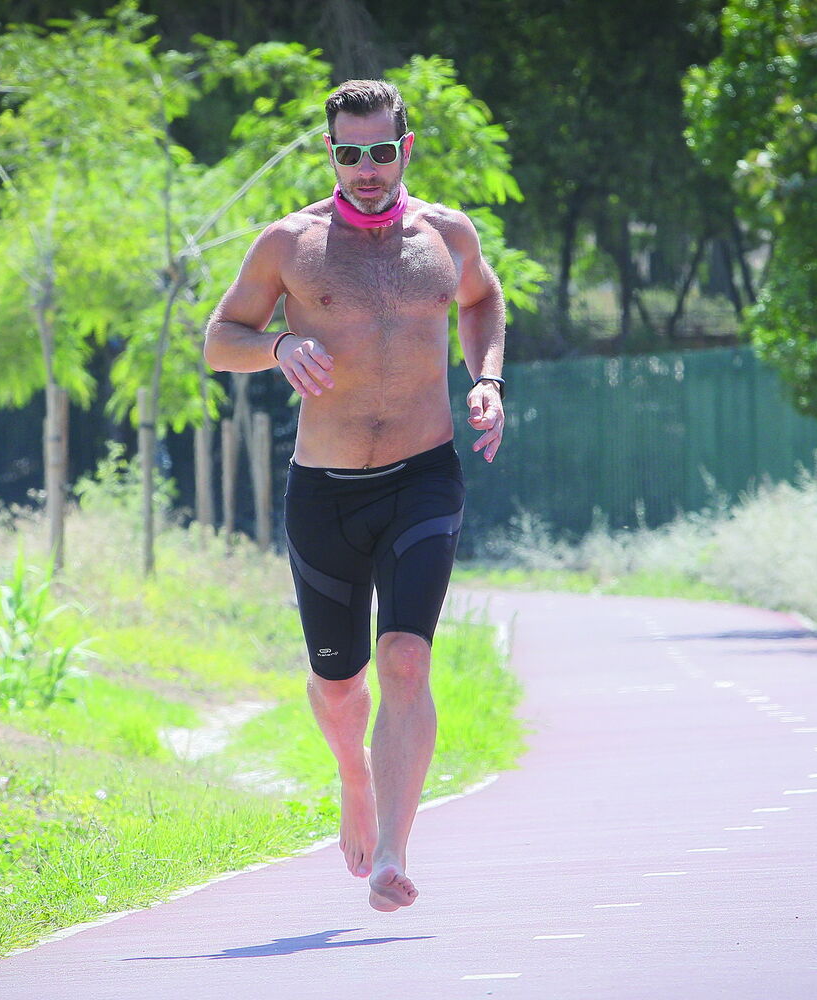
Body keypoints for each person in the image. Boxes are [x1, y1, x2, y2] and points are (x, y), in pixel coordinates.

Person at [203, 79, 506, 912]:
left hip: (423, 473)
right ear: (330, 153)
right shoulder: (288, 243)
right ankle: (353, 777)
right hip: (325, 492)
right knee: (339, 686)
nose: (365, 168)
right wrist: (277, 347)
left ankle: (394, 855)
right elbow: (220, 339)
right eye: (348, 153)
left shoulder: (446, 234)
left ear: (404, 149)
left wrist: (487, 380)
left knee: (407, 657)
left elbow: (483, 300)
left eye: (378, 151)